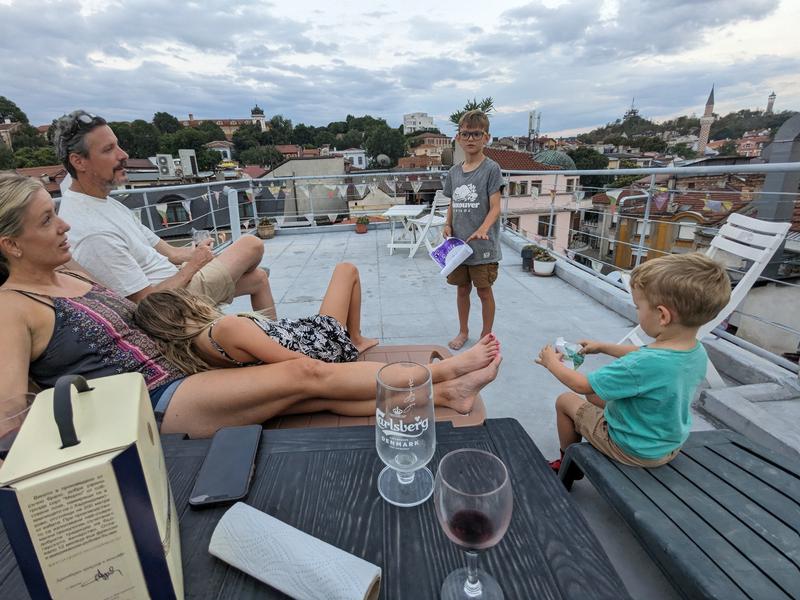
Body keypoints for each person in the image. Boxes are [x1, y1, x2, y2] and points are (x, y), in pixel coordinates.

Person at [0, 173, 502, 438]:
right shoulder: (12, 307)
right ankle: (443, 372)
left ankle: (446, 395)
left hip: (182, 372)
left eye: (56, 213)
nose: (64, 225)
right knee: (303, 375)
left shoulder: (68, 273)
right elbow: (10, 418)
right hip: (154, 402)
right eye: (46, 221)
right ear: (11, 245)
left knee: (309, 397)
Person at [52, 110, 276, 318]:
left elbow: (172, 253)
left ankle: (277, 338)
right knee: (251, 244)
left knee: (258, 278)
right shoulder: (92, 231)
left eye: (118, 145)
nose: (123, 154)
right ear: (78, 161)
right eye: (108, 149)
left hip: (177, 279)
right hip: (170, 302)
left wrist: (200, 255)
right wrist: (194, 267)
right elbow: (143, 304)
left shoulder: (104, 203)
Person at [536, 253, 730, 473]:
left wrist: (551, 363)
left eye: (638, 306)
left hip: (631, 448)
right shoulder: (695, 351)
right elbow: (645, 353)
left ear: (662, 316)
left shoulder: (641, 364)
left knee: (565, 401)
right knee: (595, 396)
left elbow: (582, 385)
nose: (637, 311)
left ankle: (567, 465)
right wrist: (603, 347)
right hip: (666, 443)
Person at [133, 262, 379, 373]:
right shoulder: (227, 328)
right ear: (183, 305)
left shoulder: (196, 347)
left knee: (345, 271)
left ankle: (354, 339)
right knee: (346, 269)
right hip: (322, 340)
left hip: (308, 333)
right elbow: (301, 363)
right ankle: (354, 340)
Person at [442, 110, 503, 351]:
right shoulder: (454, 172)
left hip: (483, 247)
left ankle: (486, 336)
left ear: (486, 137)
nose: (470, 139)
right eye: (466, 134)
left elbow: (495, 206)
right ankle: (463, 331)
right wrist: (447, 224)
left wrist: (483, 228)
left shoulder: (491, 169)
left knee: (484, 292)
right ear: (458, 137)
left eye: (476, 134)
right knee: (462, 290)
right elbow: (452, 202)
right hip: (459, 247)